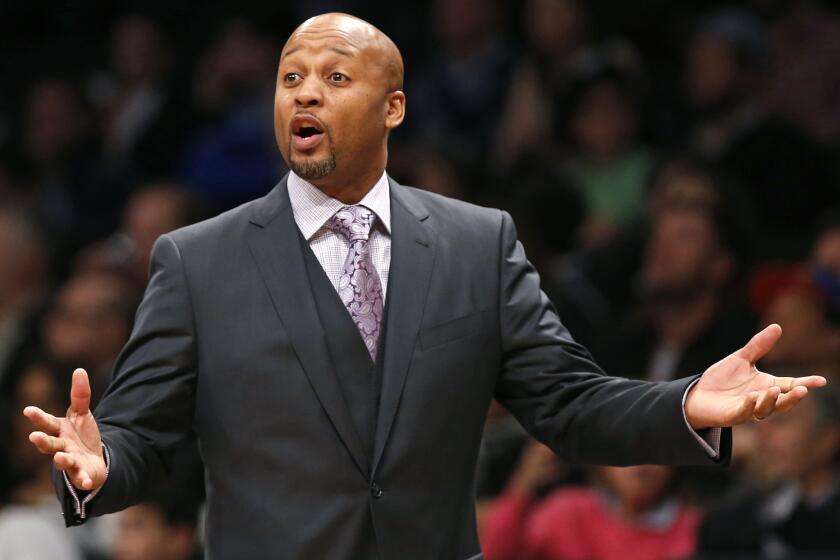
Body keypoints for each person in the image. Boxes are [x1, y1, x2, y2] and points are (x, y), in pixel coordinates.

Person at [22, 13, 826, 559]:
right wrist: (97, 465)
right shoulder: (196, 261)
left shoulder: (480, 244)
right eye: (290, 76)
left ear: (395, 106)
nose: (304, 91)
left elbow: (571, 404)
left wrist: (686, 404)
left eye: (335, 77)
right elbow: (142, 437)